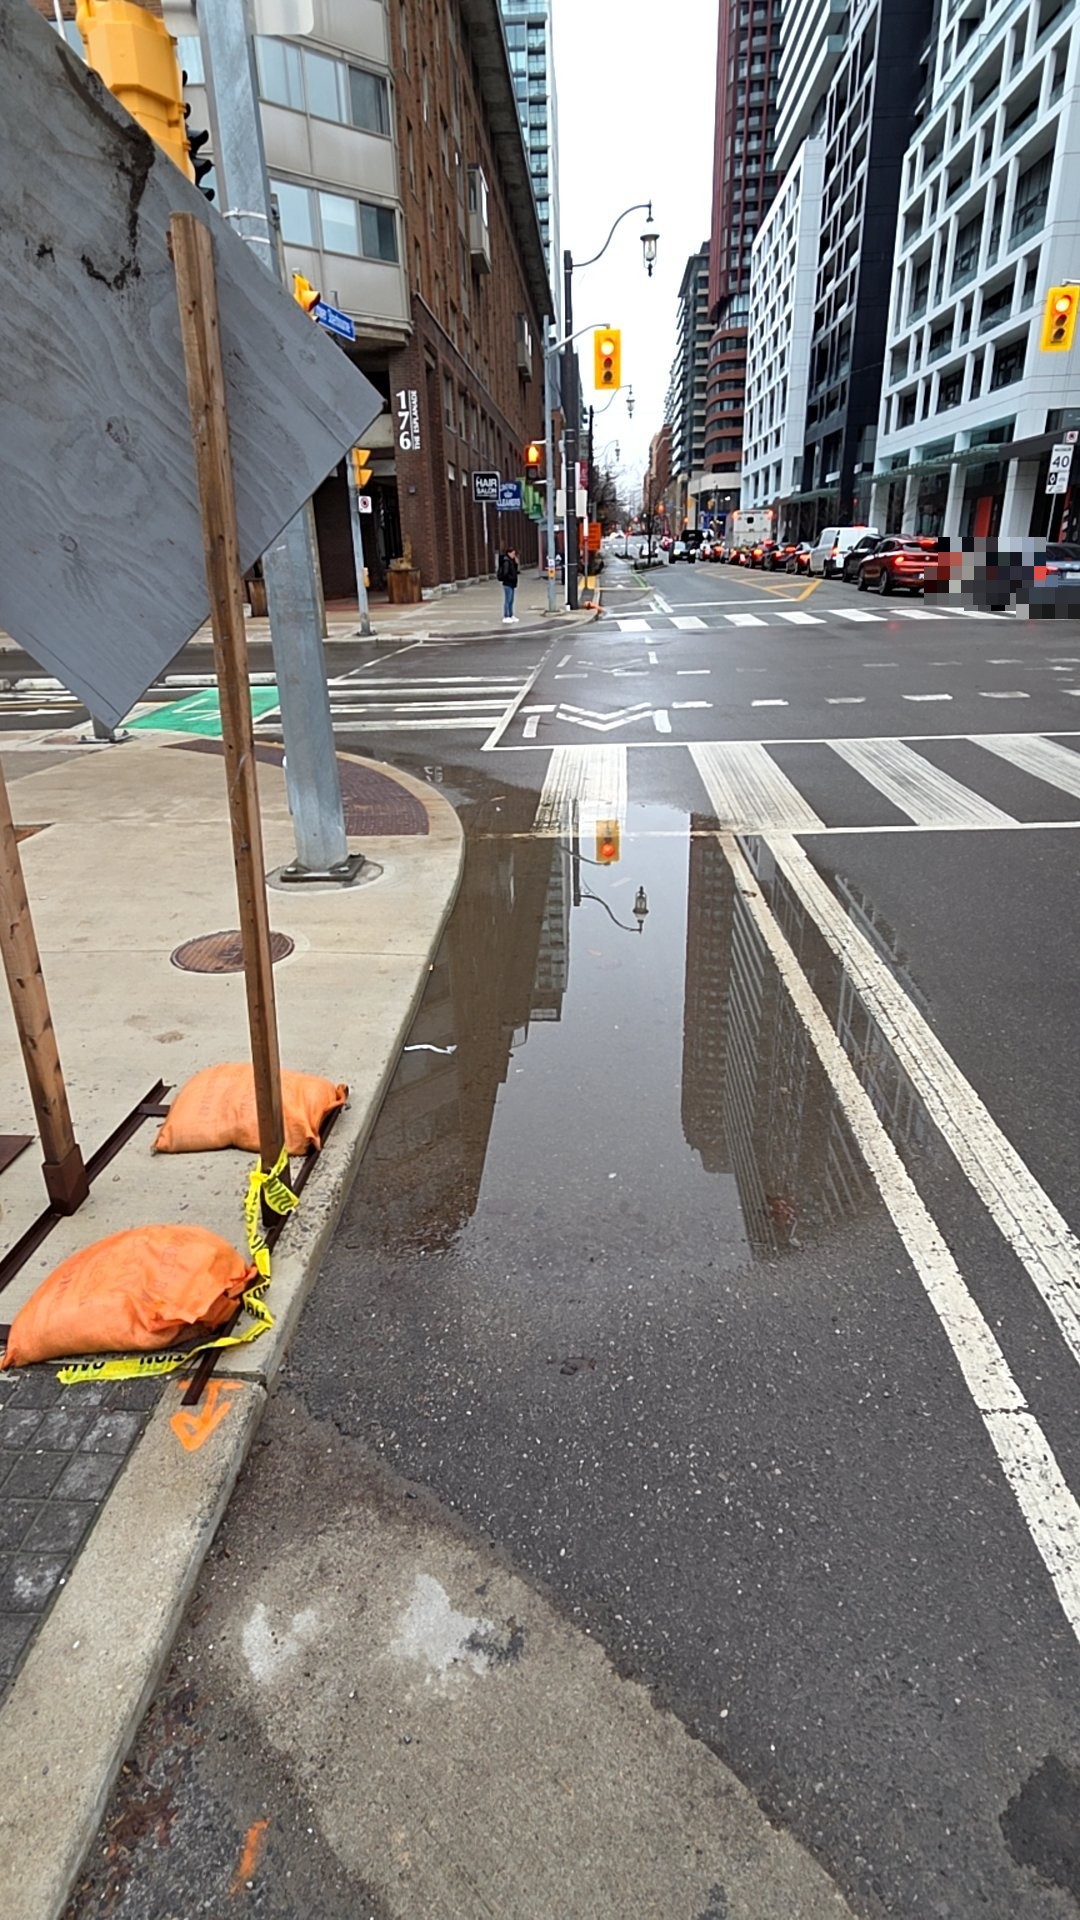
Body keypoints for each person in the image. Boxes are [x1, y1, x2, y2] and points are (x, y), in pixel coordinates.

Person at [497, 547, 519, 623]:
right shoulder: (506, 561)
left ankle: (511, 615)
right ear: (509, 553)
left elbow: (515, 571)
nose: (514, 555)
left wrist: (516, 563)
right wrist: (511, 578)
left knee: (511, 600)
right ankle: (506, 615)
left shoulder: (511, 561)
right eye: (513, 553)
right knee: (508, 600)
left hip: (512, 583)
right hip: (508, 583)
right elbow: (505, 573)